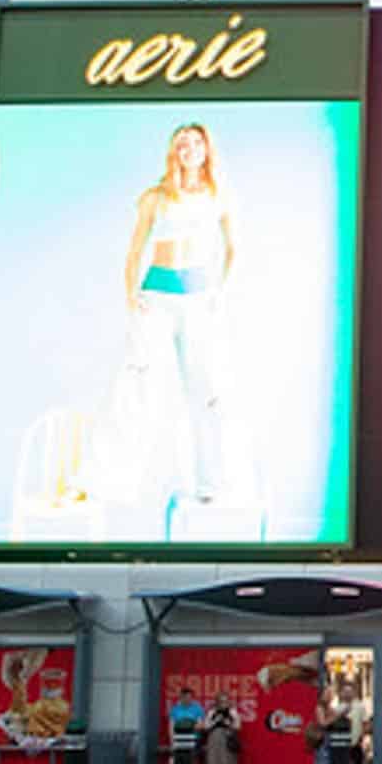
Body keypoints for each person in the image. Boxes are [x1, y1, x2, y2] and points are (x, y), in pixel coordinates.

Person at [120, 122, 240, 518]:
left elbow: (233, 248)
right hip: (157, 295)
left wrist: (219, 294)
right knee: (151, 387)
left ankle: (210, 483)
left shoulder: (218, 195)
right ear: (174, 152)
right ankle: (148, 482)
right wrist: (130, 293)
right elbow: (135, 248)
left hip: (198, 296)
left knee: (203, 391)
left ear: (207, 149)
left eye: (195, 143)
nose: (188, 149)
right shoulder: (156, 197)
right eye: (181, 144)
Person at [157, 684, 206, 764]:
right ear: (181, 697)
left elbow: (201, 725)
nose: (188, 700)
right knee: (172, 763)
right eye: (185, 698)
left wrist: (189, 724)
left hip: (193, 740)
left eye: (190, 698)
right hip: (179, 740)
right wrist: (172, 742)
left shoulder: (197, 708)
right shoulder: (175, 709)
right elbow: (171, 727)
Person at [202, 692, 238, 764]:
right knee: (212, 763)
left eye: (226, 701)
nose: (223, 703)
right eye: (221, 701)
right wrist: (214, 721)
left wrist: (229, 723)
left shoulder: (232, 711)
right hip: (213, 739)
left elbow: (238, 726)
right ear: (217, 701)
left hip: (227, 739)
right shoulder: (212, 712)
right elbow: (205, 727)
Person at [309, 693, 339, 764]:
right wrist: (333, 718)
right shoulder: (320, 708)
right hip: (322, 741)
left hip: (326, 741)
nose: (330, 696)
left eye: (330, 694)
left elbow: (334, 715)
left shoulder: (329, 707)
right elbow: (323, 723)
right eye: (327, 694)